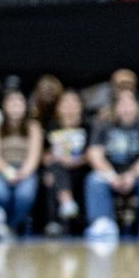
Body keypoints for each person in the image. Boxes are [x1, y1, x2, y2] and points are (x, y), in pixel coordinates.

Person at [84, 88, 139, 241]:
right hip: (111, 172)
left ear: (136, 105)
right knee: (94, 179)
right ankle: (103, 223)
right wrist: (111, 176)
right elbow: (94, 154)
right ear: (115, 107)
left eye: (129, 103)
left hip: (137, 172)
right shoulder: (103, 125)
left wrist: (132, 174)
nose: (126, 107)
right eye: (122, 103)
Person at [0, 88, 42, 235]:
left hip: (25, 168)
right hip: (1, 168)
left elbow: (34, 155)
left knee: (25, 195)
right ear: (4, 106)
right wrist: (8, 172)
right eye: (11, 102)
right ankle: (0, 225)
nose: (15, 105)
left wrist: (23, 173)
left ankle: (11, 226)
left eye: (19, 101)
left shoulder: (33, 127)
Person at [42, 89, 90, 234]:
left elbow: (93, 153)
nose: (69, 106)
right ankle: (60, 217)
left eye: (73, 101)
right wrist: (48, 159)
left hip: (82, 169)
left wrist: (73, 162)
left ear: (80, 106)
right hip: (58, 168)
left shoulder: (88, 126)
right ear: (58, 107)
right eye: (65, 102)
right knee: (52, 174)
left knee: (57, 172)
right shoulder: (51, 126)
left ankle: (66, 208)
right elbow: (44, 153)